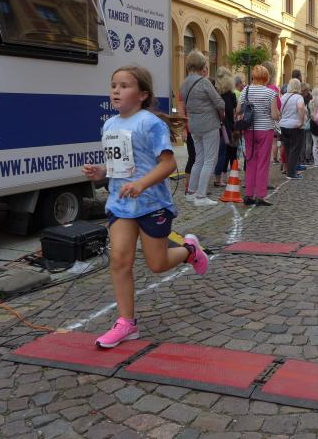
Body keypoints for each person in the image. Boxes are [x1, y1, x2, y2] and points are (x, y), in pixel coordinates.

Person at [83, 66, 209, 349]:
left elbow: (168, 164)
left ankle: (190, 250)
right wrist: (101, 172)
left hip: (152, 204)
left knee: (157, 264)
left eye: (124, 86)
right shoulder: (109, 125)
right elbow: (119, 167)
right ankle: (126, 323)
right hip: (121, 204)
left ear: (142, 95)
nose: (116, 90)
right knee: (119, 260)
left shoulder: (150, 124)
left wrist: (141, 184)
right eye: (113, 85)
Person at [181, 51, 224, 206]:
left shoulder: (184, 83)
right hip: (209, 124)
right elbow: (220, 103)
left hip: (193, 126)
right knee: (209, 160)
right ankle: (201, 196)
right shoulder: (204, 82)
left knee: (198, 159)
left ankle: (191, 192)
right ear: (202, 65)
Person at [239, 65, 281, 206]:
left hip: (249, 130)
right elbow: (274, 115)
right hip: (265, 130)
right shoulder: (270, 93)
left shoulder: (246, 90)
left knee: (250, 161)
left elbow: (238, 110)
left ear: (253, 76)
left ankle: (249, 194)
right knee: (263, 162)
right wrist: (278, 114)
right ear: (266, 77)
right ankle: (260, 195)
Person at [212, 67, 238, 187]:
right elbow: (233, 114)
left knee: (222, 153)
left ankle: (220, 177)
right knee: (224, 153)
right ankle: (220, 178)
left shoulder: (215, 94)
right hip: (225, 127)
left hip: (217, 126)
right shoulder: (230, 95)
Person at [279, 79, 306, 180]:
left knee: (287, 149)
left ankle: (288, 171)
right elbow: (301, 108)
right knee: (295, 150)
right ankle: (291, 173)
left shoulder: (283, 97)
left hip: (283, 125)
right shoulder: (298, 97)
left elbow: (279, 109)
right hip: (295, 126)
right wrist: (301, 122)